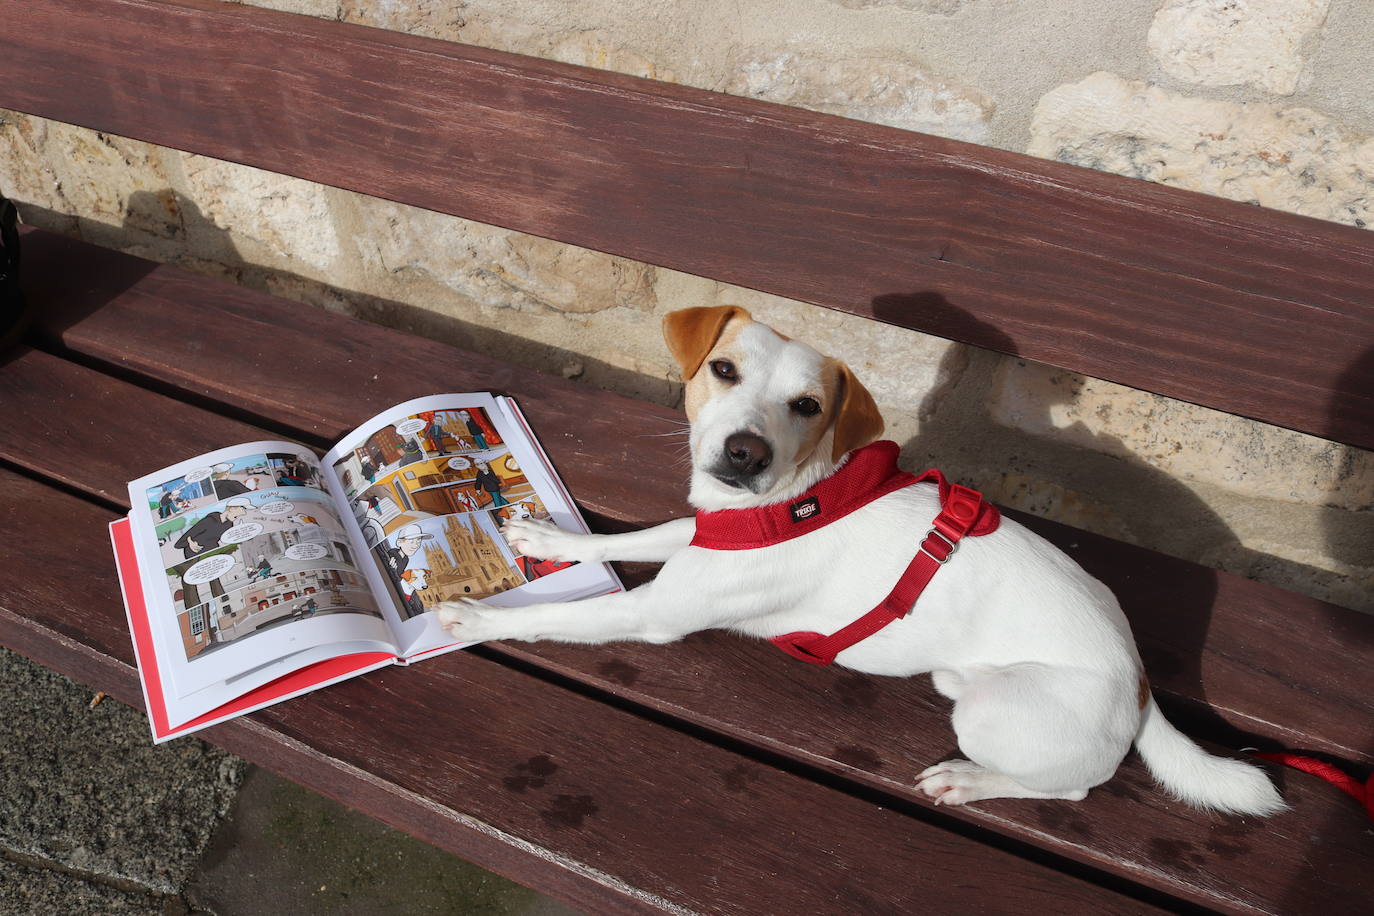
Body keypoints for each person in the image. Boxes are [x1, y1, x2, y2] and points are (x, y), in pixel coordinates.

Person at [378, 524, 433, 618]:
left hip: (402, 585)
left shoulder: (406, 559)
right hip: (395, 587)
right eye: (411, 542)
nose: (416, 545)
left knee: (417, 605)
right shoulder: (392, 554)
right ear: (399, 543)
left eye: (418, 541)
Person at [173, 497, 251, 559]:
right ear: (231, 509)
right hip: (195, 555)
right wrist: (190, 542)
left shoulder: (229, 525)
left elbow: (227, 539)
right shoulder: (209, 521)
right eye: (236, 516)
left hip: (212, 555)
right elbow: (184, 539)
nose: (235, 518)